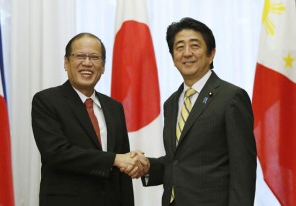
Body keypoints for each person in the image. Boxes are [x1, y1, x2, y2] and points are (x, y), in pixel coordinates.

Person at [128, 17, 257, 206]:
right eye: (179, 47)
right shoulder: (171, 103)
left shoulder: (231, 97)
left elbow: (243, 168)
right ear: (173, 57)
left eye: (194, 46)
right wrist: (147, 166)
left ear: (211, 54)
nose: (187, 53)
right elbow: (178, 161)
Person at [31, 33, 148, 206]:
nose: (87, 63)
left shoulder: (114, 107)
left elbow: (123, 172)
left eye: (94, 57)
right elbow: (56, 153)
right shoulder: (47, 100)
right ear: (66, 62)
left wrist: (130, 162)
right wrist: (115, 159)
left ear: (103, 66)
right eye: (79, 56)